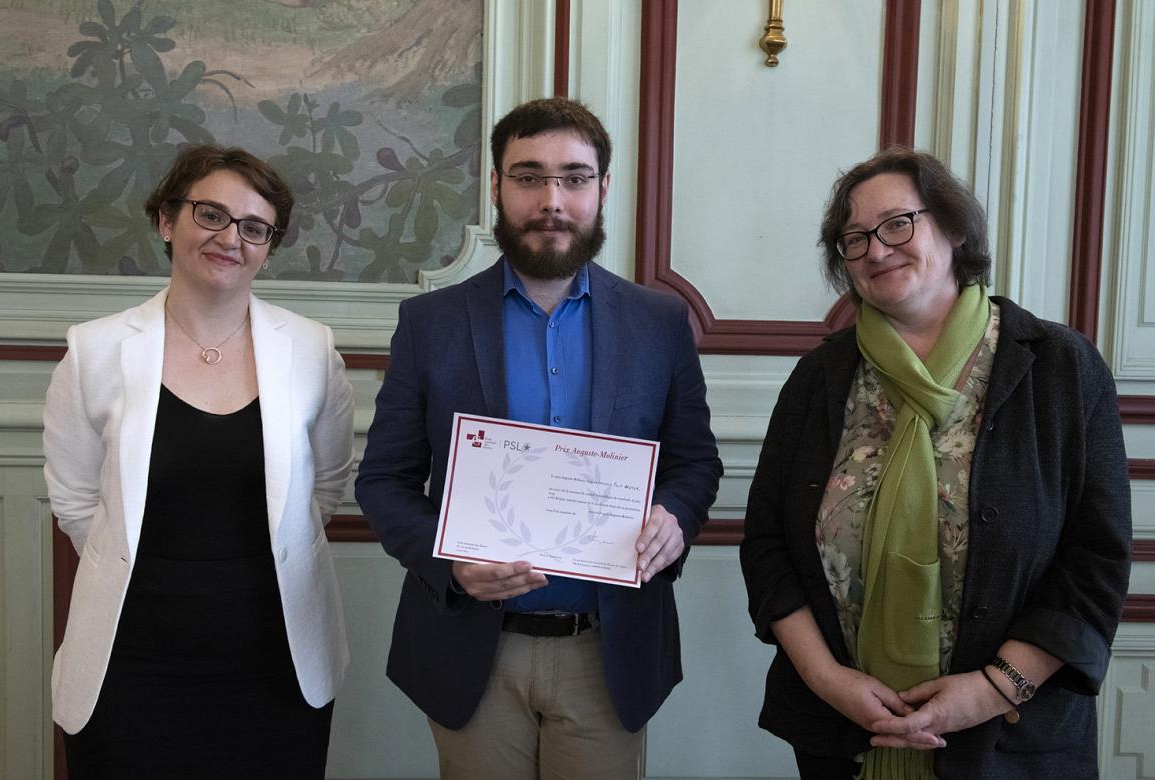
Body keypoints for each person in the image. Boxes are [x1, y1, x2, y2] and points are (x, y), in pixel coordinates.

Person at [355, 97, 722, 778]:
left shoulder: (660, 323)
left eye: (575, 178)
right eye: (528, 176)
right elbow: (382, 482)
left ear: (603, 189)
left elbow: (694, 463)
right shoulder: (430, 323)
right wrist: (449, 565)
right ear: (496, 186)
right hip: (473, 649)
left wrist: (675, 518)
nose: (552, 198)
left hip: (607, 651)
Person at [740, 147, 1132, 779]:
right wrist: (828, 678)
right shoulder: (819, 378)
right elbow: (765, 546)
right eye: (854, 238)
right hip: (842, 735)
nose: (875, 249)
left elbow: (1096, 558)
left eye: (898, 224)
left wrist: (992, 689)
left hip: (1013, 740)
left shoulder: (1061, 367)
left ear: (953, 228)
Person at [43, 145, 354, 778]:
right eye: (210, 214)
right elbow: (75, 502)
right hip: (130, 659)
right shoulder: (94, 350)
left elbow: (325, 487)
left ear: (268, 246)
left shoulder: (311, 351)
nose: (230, 239)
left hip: (276, 653)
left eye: (253, 228)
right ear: (166, 220)